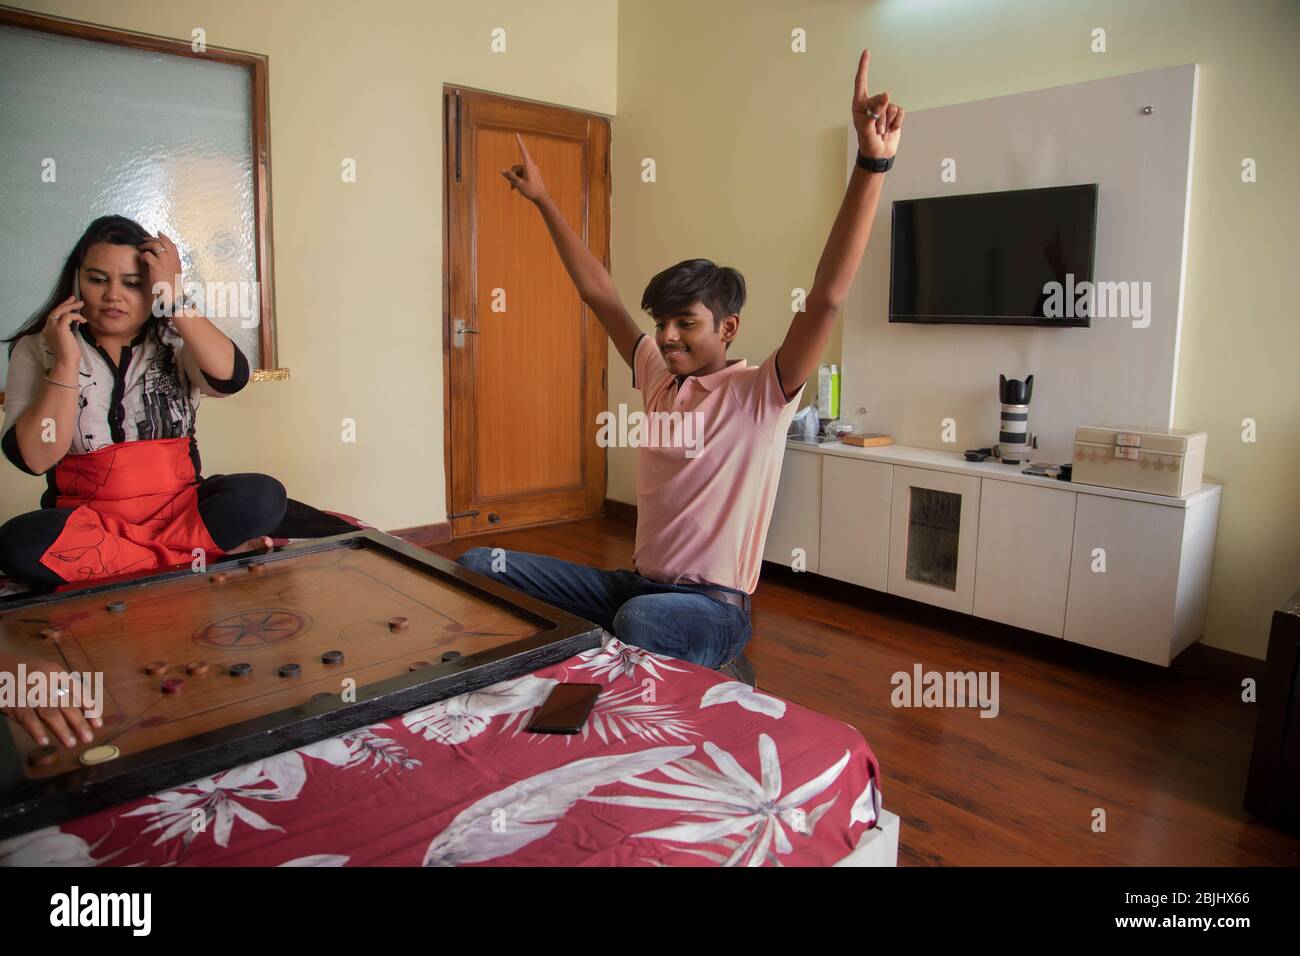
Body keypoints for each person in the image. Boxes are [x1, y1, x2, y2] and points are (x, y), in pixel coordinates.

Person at [457, 50, 905, 678]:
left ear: (728, 327)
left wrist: (872, 163)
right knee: (482, 567)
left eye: (684, 323)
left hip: (712, 606)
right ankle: (618, 650)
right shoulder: (659, 377)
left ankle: (709, 661)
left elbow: (828, 295)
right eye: (661, 323)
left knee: (643, 626)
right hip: (634, 586)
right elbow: (599, 294)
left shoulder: (762, 392)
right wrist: (543, 201)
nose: (665, 337)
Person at [0, 215, 287, 588]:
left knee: (262, 495)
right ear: (76, 281)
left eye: (132, 283)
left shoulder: (176, 334)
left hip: (180, 515)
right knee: (17, 543)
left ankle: (132, 563)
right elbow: (35, 458)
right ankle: (194, 559)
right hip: (91, 524)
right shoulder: (38, 347)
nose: (113, 295)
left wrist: (176, 296)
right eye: (97, 279)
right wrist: (66, 362)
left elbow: (232, 379)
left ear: (152, 286)